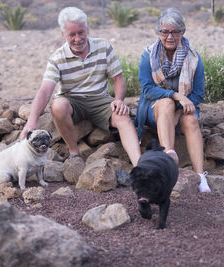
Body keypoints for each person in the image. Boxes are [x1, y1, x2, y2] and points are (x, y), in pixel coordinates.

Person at [20, 6, 141, 167]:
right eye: (72, 34)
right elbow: (45, 91)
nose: (78, 38)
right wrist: (32, 121)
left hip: (100, 99)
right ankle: (74, 153)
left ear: (88, 30)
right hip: (72, 102)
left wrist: (119, 100)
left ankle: (140, 166)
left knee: (123, 115)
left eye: (81, 32)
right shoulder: (57, 58)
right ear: (63, 35)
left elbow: (118, 79)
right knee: (58, 105)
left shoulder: (103, 47)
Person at [134, 8, 211, 192]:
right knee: (166, 102)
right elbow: (147, 89)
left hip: (182, 111)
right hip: (155, 110)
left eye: (175, 31)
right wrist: (176, 95)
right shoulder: (148, 55)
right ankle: (169, 159)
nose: (170, 36)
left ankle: (201, 177)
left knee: (191, 119)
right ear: (158, 33)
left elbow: (199, 93)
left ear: (182, 32)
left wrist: (179, 110)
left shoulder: (193, 58)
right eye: (165, 32)